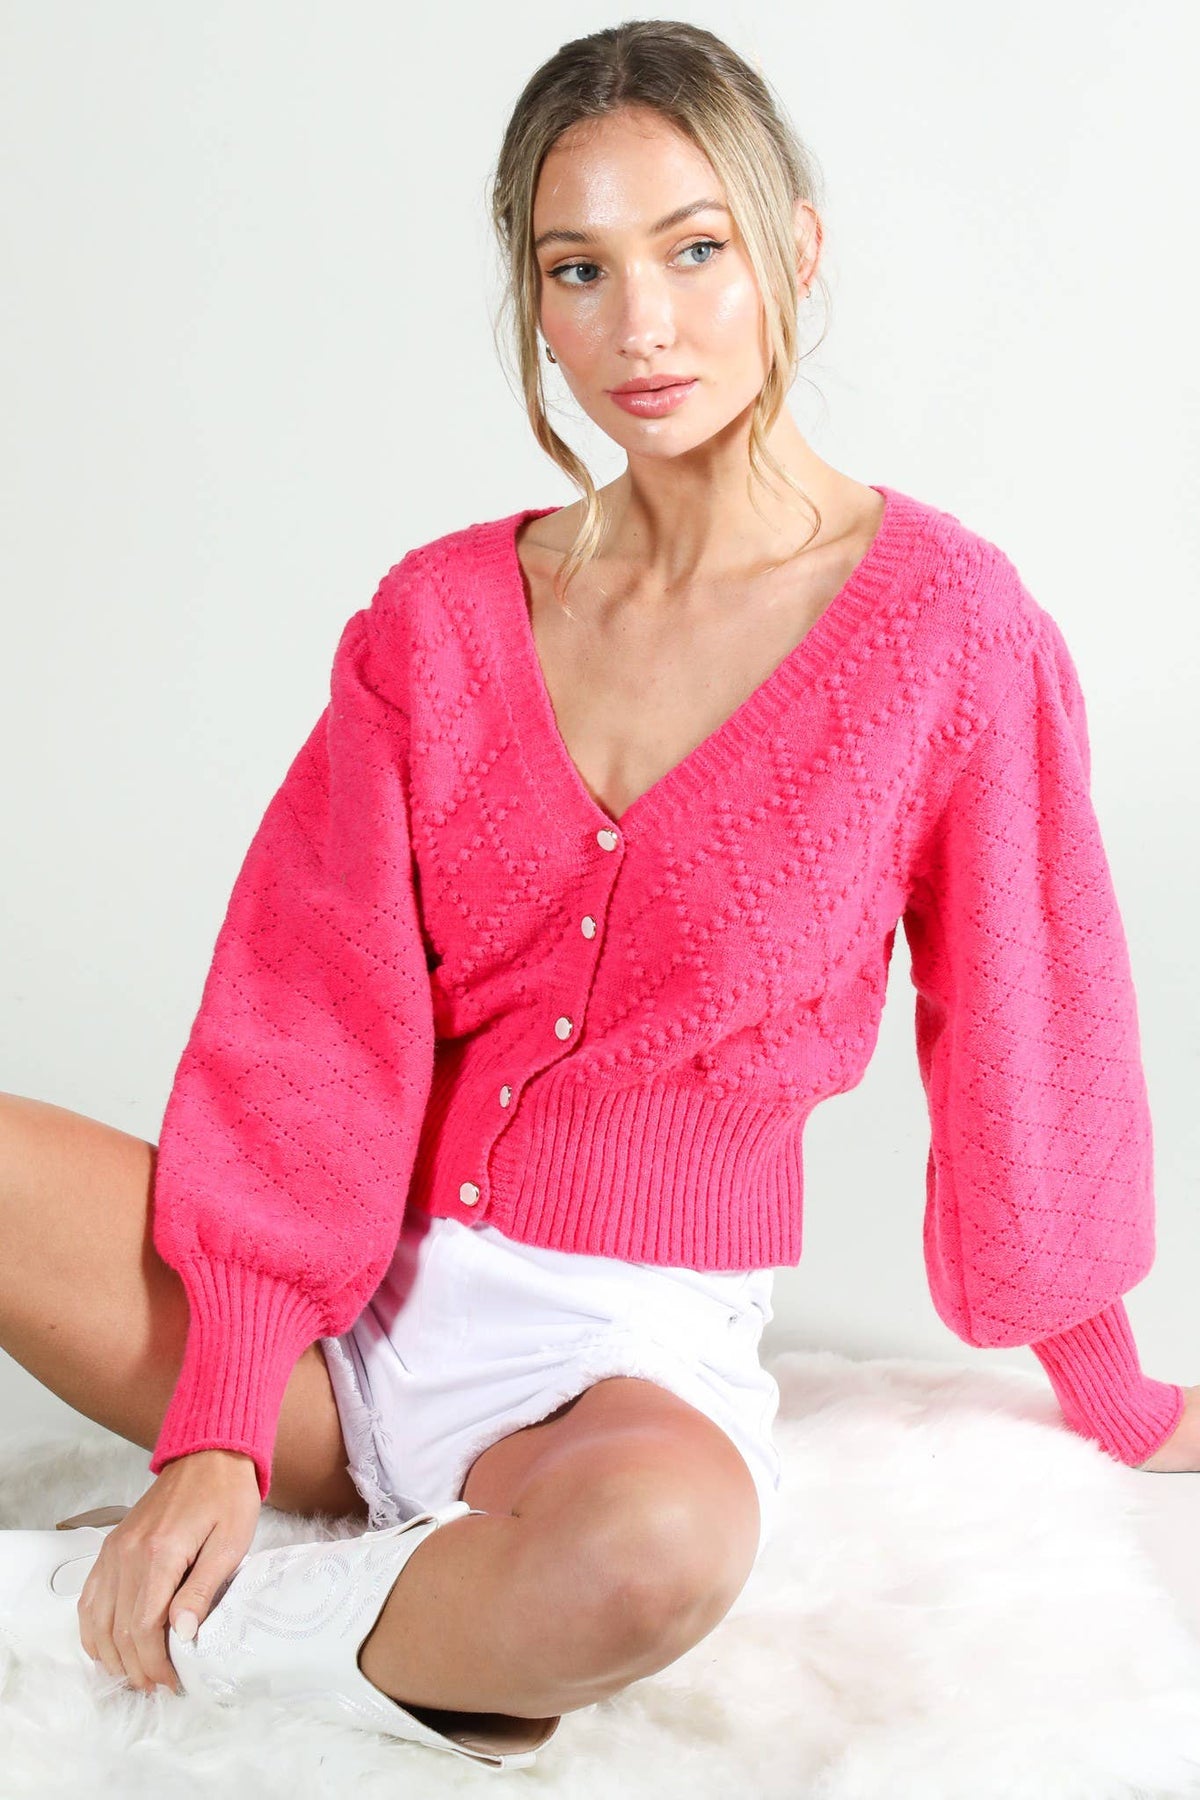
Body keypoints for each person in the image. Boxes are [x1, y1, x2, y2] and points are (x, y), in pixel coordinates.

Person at [1, 17, 1193, 1770]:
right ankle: (363, 1603)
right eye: (581, 268)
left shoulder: (948, 630)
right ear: (533, 297)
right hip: (333, 1325)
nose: (642, 325)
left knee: (654, 1560)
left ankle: (91, 1616)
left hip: (608, 1379)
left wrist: (1113, 1383)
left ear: (796, 248)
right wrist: (221, 1420)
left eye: (694, 250)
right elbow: (304, 1010)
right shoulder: (438, 619)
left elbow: (1027, 1018)